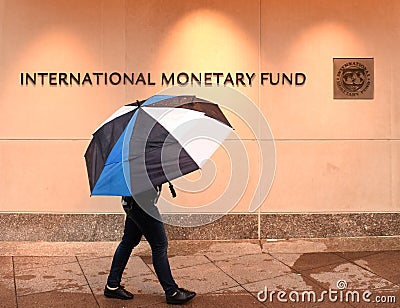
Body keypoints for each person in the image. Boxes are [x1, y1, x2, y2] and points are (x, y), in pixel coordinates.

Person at [104, 187, 196, 305]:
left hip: (133, 203)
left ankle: (112, 285)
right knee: (159, 245)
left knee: (128, 242)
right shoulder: (140, 168)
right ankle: (172, 292)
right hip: (142, 205)